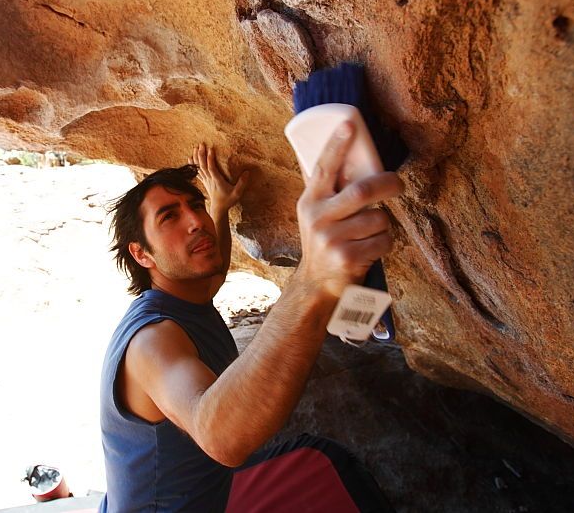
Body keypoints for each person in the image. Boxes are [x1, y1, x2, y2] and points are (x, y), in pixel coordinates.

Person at [99, 122, 404, 512]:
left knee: (320, 458)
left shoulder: (185, 290)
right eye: (168, 217)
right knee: (327, 468)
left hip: (204, 497)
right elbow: (219, 436)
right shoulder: (151, 342)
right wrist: (314, 278)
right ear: (142, 254)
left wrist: (220, 206)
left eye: (194, 205)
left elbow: (215, 266)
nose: (195, 220)